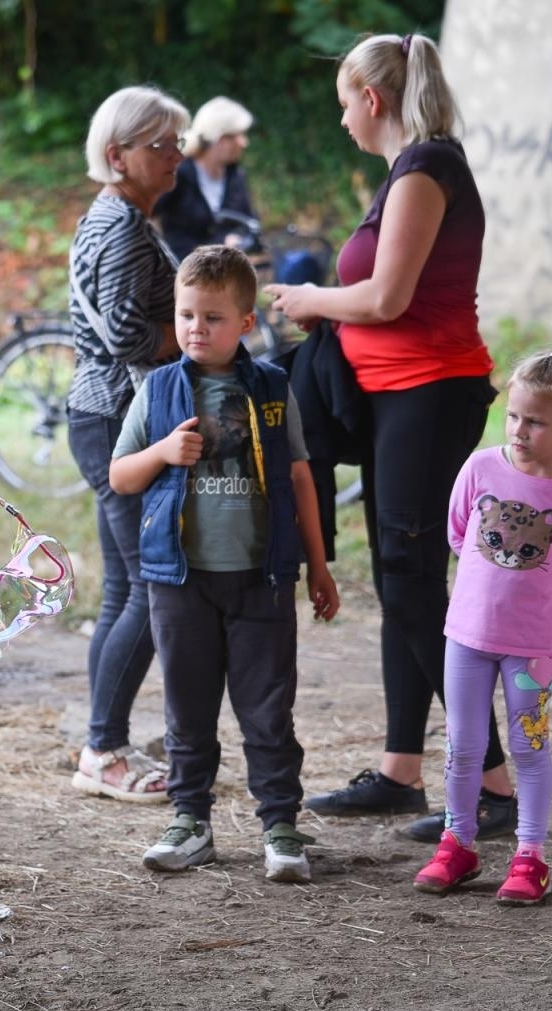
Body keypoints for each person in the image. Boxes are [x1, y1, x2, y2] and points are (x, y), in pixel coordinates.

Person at [264, 31, 517, 843]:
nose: (342, 120)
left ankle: (496, 787)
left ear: (371, 99)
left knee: (411, 583)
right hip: (397, 399)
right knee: (400, 577)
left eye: (344, 103)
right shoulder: (410, 170)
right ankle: (401, 772)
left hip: (429, 395)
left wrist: (309, 298)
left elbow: (385, 298)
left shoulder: (425, 168)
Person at [109, 244, 339, 881]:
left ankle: (281, 826)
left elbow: (300, 477)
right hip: (180, 582)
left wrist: (318, 565)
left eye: (212, 318)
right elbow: (121, 476)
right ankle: (190, 820)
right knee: (188, 710)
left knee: (268, 711)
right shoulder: (158, 389)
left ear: (245, 322)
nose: (195, 329)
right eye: (186, 315)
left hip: (262, 579)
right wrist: (162, 452)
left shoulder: (272, 388)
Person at [414, 350, 552, 905]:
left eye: (537, 421)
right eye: (514, 416)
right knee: (464, 745)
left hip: (533, 651)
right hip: (467, 638)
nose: (520, 430)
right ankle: (457, 844)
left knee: (529, 745)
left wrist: (536, 607)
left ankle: (530, 856)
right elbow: (459, 534)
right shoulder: (480, 468)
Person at [66, 86, 190, 803]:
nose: (175, 156)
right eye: (160, 145)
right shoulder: (120, 227)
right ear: (117, 155)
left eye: (177, 143)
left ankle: (104, 739)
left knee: (123, 588)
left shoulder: (116, 217)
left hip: (105, 414)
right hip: (117, 418)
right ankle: (102, 749)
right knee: (149, 584)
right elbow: (122, 335)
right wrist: (196, 330)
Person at [153, 96, 258, 262]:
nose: (244, 142)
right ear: (220, 139)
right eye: (238, 135)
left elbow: (249, 222)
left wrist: (235, 238)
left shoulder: (236, 177)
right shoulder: (177, 174)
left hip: (224, 272)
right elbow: (144, 212)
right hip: (181, 270)